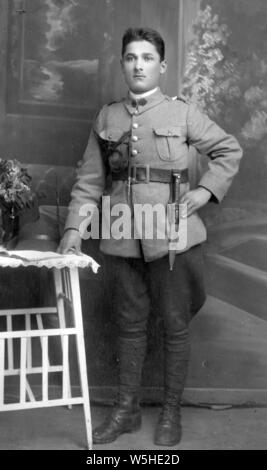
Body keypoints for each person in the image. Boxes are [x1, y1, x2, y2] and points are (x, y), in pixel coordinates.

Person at [58, 27, 243, 446]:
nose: (138, 65)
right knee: (129, 326)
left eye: (146, 58)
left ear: (162, 66)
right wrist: (73, 230)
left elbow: (228, 149)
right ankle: (126, 412)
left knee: (175, 326)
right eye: (130, 57)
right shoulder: (108, 117)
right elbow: (89, 182)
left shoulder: (181, 114)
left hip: (172, 236)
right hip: (121, 233)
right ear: (122, 64)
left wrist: (204, 191)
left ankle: (171, 414)